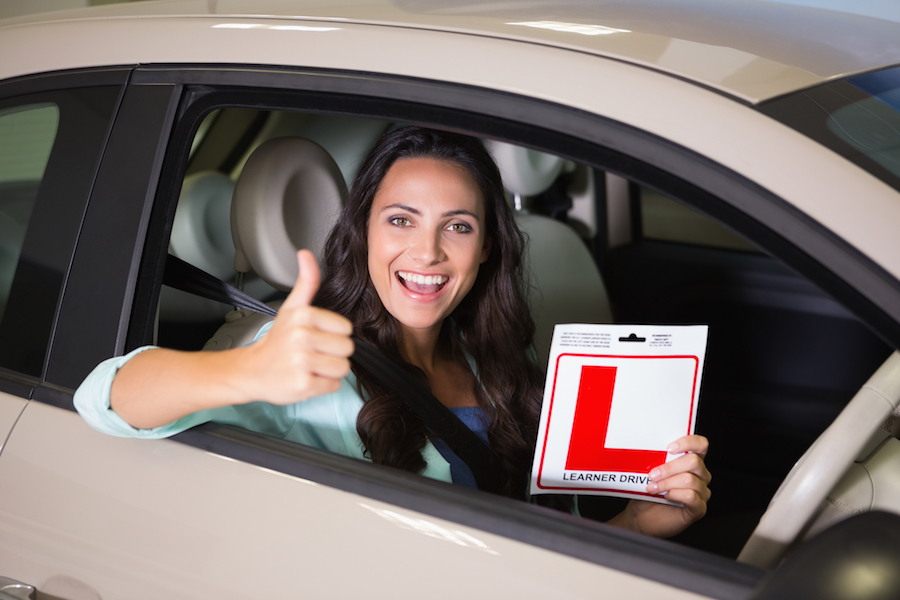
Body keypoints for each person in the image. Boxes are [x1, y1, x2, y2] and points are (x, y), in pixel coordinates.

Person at [75, 126, 711, 538]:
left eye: (457, 226)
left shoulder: (499, 362)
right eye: (401, 220)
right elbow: (103, 398)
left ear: (487, 246)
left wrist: (636, 524)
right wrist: (242, 371)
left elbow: (542, 557)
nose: (427, 252)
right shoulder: (300, 361)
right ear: (364, 232)